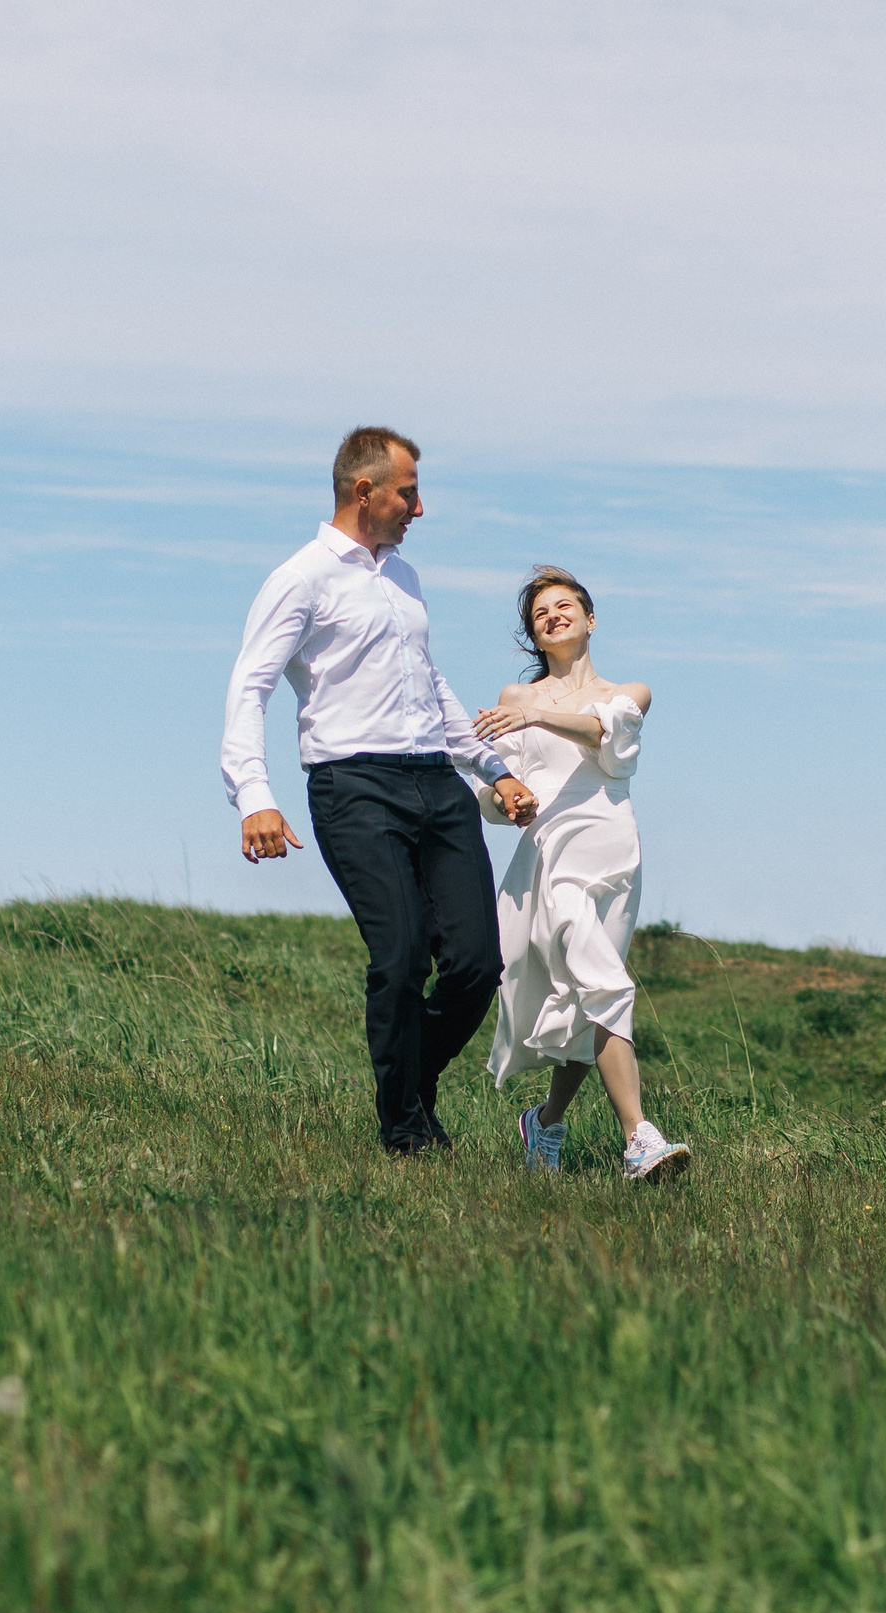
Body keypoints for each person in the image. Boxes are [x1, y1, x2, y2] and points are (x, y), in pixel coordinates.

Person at [220, 427, 539, 1155]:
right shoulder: (300, 578)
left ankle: (409, 1089)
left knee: (475, 965)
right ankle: (405, 1132)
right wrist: (253, 794)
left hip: (437, 782)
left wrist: (492, 768)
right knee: (398, 958)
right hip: (353, 786)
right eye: (408, 492)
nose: (417, 509)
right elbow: (251, 685)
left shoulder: (403, 577)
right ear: (364, 492)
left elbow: (429, 683)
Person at [473, 567, 690, 1181]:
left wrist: (538, 715)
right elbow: (492, 788)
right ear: (534, 637)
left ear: (590, 619)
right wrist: (504, 799)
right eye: (540, 614)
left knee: (591, 997)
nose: (553, 616)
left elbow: (604, 736)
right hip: (552, 855)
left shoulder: (631, 692)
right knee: (603, 982)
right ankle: (639, 1139)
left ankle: (542, 1123)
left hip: (615, 852)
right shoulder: (515, 702)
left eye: (564, 606)